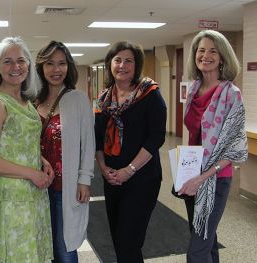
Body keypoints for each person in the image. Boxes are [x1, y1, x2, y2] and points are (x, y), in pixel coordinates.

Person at [0, 36, 54, 262]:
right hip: (14, 198)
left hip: (34, 193)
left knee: (35, 255)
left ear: (29, 65)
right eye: (7, 61)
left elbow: (19, 142)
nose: (15, 67)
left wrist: (42, 161)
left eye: (21, 60)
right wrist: (33, 173)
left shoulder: (25, 101)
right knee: (21, 256)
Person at [178, 30, 248, 263]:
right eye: (201, 50)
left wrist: (204, 176)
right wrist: (189, 174)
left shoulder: (231, 94)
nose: (205, 55)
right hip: (191, 175)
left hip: (215, 178)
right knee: (206, 241)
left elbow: (235, 147)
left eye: (212, 51)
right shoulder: (194, 89)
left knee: (197, 251)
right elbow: (194, 136)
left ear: (222, 57)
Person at [94, 41, 167, 263]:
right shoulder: (104, 99)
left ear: (136, 65)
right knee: (118, 238)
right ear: (110, 64)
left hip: (142, 178)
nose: (122, 65)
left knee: (129, 240)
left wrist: (129, 170)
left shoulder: (150, 95)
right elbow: (97, 139)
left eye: (128, 61)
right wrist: (103, 168)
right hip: (112, 178)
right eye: (117, 60)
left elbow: (156, 138)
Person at [35, 41, 95, 262]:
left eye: (61, 63)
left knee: (64, 248)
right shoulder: (32, 99)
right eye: (50, 63)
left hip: (64, 187)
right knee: (43, 244)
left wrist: (84, 179)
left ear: (69, 67)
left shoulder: (78, 99)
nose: (56, 69)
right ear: (40, 67)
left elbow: (88, 144)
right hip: (34, 186)